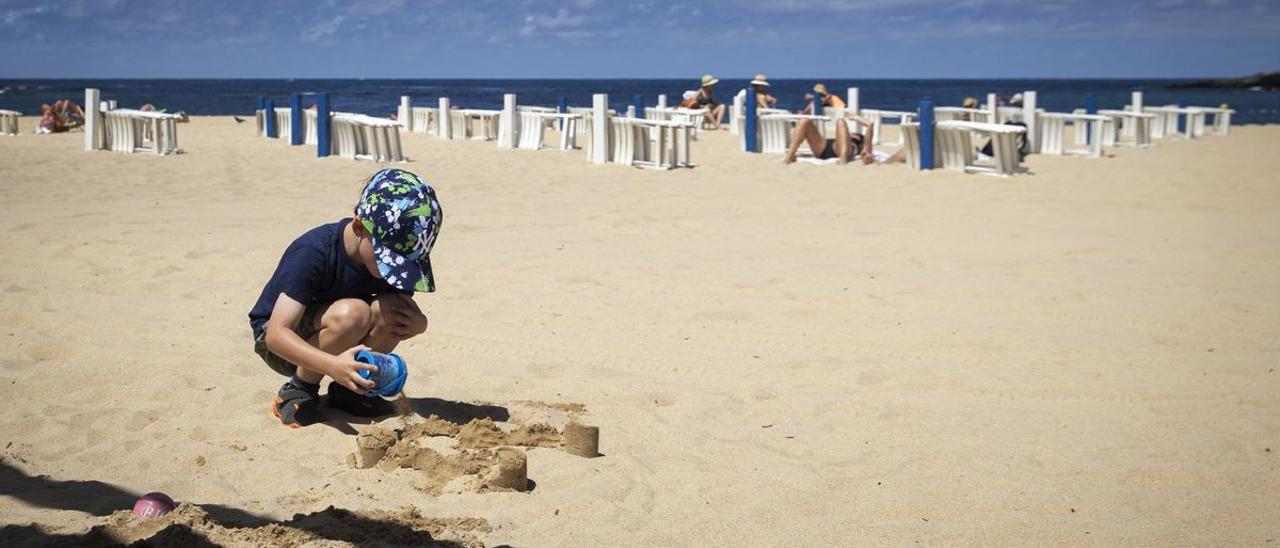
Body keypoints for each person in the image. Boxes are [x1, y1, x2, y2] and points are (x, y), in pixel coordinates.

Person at [248, 168, 442, 428]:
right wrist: (331, 366)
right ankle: (300, 388)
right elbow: (275, 335)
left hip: (337, 335)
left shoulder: (392, 266)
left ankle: (351, 392)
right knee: (354, 314)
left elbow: (396, 314)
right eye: (390, 259)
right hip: (282, 341)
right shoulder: (313, 252)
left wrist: (420, 325)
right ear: (360, 227)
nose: (395, 271)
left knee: (393, 310)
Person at [783, 114, 905, 166]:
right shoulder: (843, 136)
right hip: (825, 147)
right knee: (805, 121)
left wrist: (856, 118)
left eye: (856, 135)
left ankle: (843, 160)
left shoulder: (863, 145)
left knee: (840, 121)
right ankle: (788, 157)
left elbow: (870, 125)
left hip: (843, 152)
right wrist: (803, 154)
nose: (853, 134)